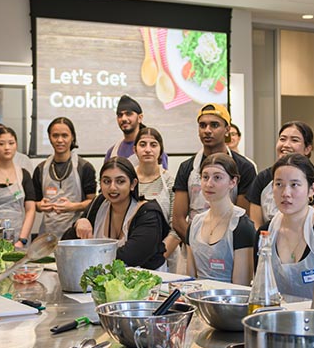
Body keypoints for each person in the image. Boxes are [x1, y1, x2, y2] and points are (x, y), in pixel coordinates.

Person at [259, 154, 314, 298]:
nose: (286, 193)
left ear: (312, 190)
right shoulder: (264, 233)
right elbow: (259, 289)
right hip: (274, 317)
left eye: (294, 185)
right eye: (279, 184)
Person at [173, 103, 257, 249]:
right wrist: (197, 244)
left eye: (214, 125)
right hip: (192, 247)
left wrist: (218, 245)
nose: (207, 131)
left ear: (227, 129)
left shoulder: (245, 168)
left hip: (231, 247)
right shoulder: (186, 168)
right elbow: (178, 220)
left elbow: (243, 217)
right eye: (202, 125)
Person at [65, 157, 168, 270]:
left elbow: (130, 257)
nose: (112, 187)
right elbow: (66, 245)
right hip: (106, 278)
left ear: (133, 184)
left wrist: (89, 255)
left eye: (120, 181)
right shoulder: (99, 203)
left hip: (147, 280)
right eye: (107, 181)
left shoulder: (148, 213)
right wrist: (79, 223)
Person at [186, 153, 256, 285]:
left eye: (217, 177)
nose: (209, 184)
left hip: (229, 300)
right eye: (205, 177)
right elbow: (190, 277)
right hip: (197, 297)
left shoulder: (242, 225)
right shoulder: (195, 223)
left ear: (232, 182)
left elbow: (241, 286)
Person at [248, 121, 314, 227]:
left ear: (307, 149)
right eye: (282, 139)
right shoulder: (263, 178)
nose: (286, 145)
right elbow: (256, 224)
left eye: (294, 140)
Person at [32, 117, 96, 238]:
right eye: (55, 135)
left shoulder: (84, 167)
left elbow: (93, 202)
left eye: (64, 135)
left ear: (72, 137)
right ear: (49, 138)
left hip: (75, 234)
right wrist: (40, 205)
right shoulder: (40, 169)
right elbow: (34, 203)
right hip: (47, 234)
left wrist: (73, 207)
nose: (60, 140)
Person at [133, 127, 181, 271]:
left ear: (161, 150)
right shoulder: (127, 180)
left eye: (153, 145)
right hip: (132, 255)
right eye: (142, 144)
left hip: (164, 257)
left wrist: (156, 260)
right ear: (135, 149)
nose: (148, 149)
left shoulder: (170, 182)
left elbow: (176, 228)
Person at [105, 94, 168, 168]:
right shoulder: (112, 152)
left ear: (140, 118)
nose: (123, 118)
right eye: (120, 115)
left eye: (128, 114)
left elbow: (162, 177)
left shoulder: (153, 151)